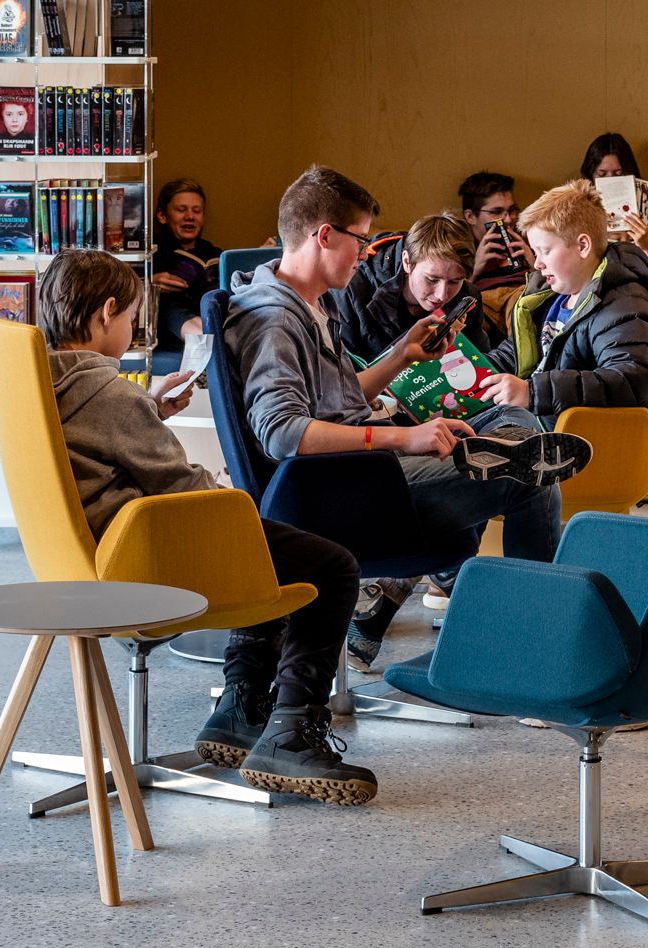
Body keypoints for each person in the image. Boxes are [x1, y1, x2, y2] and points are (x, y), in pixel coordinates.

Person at [36, 248, 374, 803]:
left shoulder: (47, 383)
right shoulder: (110, 397)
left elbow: (99, 439)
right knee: (331, 566)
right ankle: (291, 730)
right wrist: (226, 495)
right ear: (106, 313)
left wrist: (146, 409)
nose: (131, 330)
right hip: (142, 561)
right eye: (130, 319)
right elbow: (183, 490)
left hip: (85, 555)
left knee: (267, 541)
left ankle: (240, 713)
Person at [223, 167, 590, 676]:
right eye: (361, 240)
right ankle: (533, 660)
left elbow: (340, 402)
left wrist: (402, 355)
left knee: (513, 418)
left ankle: (465, 597)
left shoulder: (303, 306)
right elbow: (283, 432)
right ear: (324, 235)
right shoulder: (275, 320)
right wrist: (405, 437)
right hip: (341, 495)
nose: (368, 253)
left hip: (359, 476)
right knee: (529, 481)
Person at [480, 180, 648, 424]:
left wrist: (534, 392)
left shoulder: (624, 303)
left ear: (582, 245)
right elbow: (514, 354)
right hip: (535, 420)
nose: (537, 264)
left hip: (578, 437)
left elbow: (635, 380)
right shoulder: (552, 298)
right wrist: (474, 373)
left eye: (544, 251)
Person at [332, 213, 501, 366]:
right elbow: (340, 376)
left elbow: (479, 365)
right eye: (432, 279)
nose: (441, 295)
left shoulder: (467, 298)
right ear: (407, 262)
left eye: (454, 282)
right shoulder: (351, 290)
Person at [149, 177, 222, 350]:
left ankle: (207, 337)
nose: (190, 217)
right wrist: (149, 283)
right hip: (169, 323)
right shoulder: (150, 252)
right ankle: (203, 337)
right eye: (181, 210)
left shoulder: (214, 253)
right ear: (162, 215)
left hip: (211, 312)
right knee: (168, 304)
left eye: (197, 211)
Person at [579, 131, 648, 263]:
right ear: (591, 175)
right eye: (602, 174)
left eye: (618, 174)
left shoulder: (647, 206)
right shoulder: (579, 211)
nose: (611, 181)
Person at [457, 170, 530, 309]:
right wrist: (475, 270)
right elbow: (448, 301)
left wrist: (534, 264)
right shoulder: (460, 249)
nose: (508, 219)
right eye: (496, 212)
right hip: (486, 305)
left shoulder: (527, 237)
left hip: (526, 297)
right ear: (470, 217)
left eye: (512, 210)